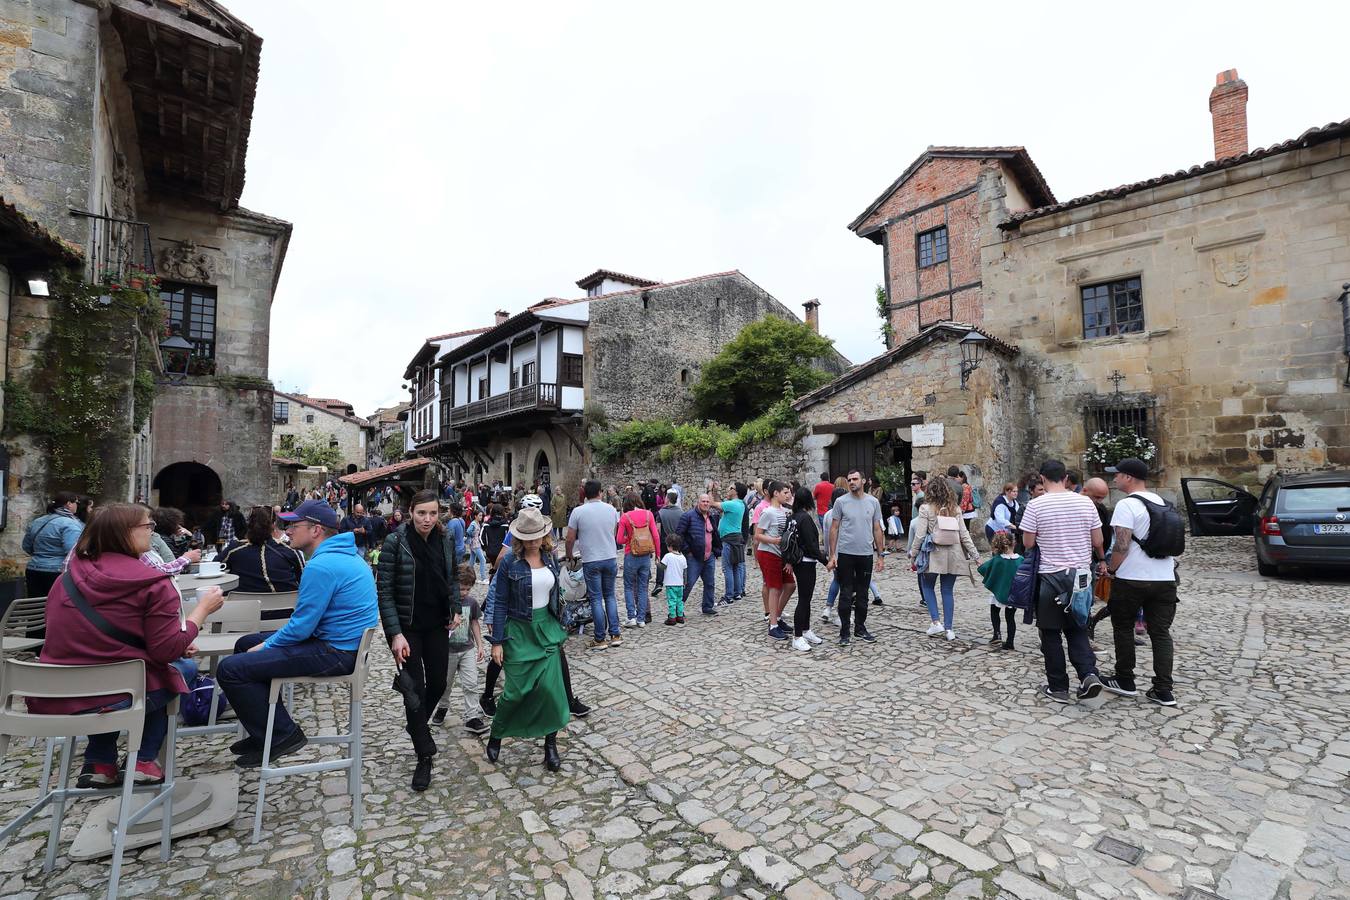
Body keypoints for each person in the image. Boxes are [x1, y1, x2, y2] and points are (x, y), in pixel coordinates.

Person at [32, 503, 225, 786]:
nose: (152, 532)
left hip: (59, 694)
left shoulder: (65, 580)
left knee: (115, 676)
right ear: (125, 534)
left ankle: (99, 761)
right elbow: (166, 651)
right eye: (148, 526)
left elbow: (76, 636)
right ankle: (143, 760)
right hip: (118, 690)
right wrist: (202, 611)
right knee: (177, 669)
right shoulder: (153, 583)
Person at [217, 499, 380, 767]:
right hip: (341, 645)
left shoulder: (322, 565)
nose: (286, 530)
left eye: (293, 525)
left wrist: (268, 646)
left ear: (316, 530)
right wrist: (265, 644)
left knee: (230, 669)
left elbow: (302, 626)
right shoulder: (346, 555)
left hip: (336, 651)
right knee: (245, 643)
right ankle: (264, 731)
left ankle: (283, 735)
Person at [377, 489, 463, 790]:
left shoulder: (446, 539)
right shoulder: (395, 542)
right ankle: (424, 755)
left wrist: (455, 607)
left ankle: (416, 725)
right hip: (407, 628)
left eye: (432, 513)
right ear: (410, 512)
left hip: (436, 623)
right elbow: (385, 592)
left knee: (439, 682)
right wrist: (395, 634)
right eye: (421, 513)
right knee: (415, 689)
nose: (427, 519)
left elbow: (452, 577)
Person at [484, 508, 570, 771]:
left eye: (537, 536)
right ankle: (497, 732)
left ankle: (550, 745)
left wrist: (560, 621)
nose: (533, 541)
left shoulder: (550, 557)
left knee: (551, 692)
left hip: (546, 629)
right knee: (515, 692)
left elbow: (555, 592)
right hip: (519, 631)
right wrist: (497, 641)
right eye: (528, 536)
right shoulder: (510, 562)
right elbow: (498, 601)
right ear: (519, 538)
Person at [1018, 460, 1105, 704]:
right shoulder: (1085, 502)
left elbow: (1028, 543)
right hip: (1080, 575)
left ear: (1042, 479)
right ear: (1066, 478)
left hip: (1051, 576)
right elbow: (1097, 539)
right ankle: (1088, 674)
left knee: (1050, 632)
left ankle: (1058, 687)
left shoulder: (1036, 505)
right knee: (1077, 626)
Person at [1100, 458, 1180, 706]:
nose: (1114, 479)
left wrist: (1110, 569)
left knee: (1123, 627)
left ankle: (1125, 679)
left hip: (1132, 577)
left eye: (1117, 475)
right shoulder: (1165, 503)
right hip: (1165, 577)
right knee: (1161, 633)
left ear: (1129, 477)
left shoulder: (1127, 505)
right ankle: (1163, 690)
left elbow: (1121, 545)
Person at [909, 475, 980, 641]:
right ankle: (949, 629)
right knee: (947, 591)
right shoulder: (955, 508)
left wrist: (913, 554)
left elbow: (919, 535)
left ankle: (936, 622)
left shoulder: (925, 508)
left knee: (927, 587)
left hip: (933, 553)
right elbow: (964, 534)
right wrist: (975, 555)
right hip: (954, 554)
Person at [827, 470, 886, 646]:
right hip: (846, 554)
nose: (852, 482)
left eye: (855, 479)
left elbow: (877, 528)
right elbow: (834, 528)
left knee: (863, 593)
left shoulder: (873, 502)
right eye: (849, 480)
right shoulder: (841, 502)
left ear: (863, 481)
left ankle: (860, 627)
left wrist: (880, 555)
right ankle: (844, 631)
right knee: (845, 593)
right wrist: (832, 555)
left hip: (866, 554)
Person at [431, 563, 489, 733]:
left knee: (471, 683)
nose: (464, 593)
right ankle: (442, 707)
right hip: (447, 652)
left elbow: (474, 623)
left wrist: (480, 645)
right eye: (461, 589)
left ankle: (472, 716)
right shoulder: (445, 602)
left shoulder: (471, 603)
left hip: (466, 649)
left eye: (467, 589)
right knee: (445, 684)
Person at [567, 480, 622, 649]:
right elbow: (615, 531)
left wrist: (569, 555)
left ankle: (600, 638)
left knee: (596, 598)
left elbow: (570, 538)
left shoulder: (578, 512)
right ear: (600, 492)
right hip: (610, 556)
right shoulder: (611, 509)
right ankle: (615, 634)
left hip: (591, 559)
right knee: (610, 596)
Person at [220, 507, 307, 595]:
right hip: (285, 606)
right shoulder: (290, 551)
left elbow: (215, 568)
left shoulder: (234, 549)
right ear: (274, 524)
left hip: (242, 607)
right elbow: (304, 580)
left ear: (249, 524)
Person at [22, 492, 84, 599]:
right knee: (54, 606)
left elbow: (26, 546)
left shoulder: (38, 521)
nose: (77, 506)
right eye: (76, 502)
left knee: (35, 606)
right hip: (56, 571)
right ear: (69, 504)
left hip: (33, 569)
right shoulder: (71, 524)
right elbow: (72, 551)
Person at [754, 481, 795, 638]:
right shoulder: (768, 512)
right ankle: (773, 625)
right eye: (785, 492)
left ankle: (776, 616)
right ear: (776, 494)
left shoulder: (785, 511)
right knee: (774, 588)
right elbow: (758, 534)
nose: (788, 495)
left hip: (782, 555)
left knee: (790, 585)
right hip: (769, 553)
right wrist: (774, 540)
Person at [788, 487, 826, 652]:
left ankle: (806, 629)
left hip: (798, 561)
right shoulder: (805, 519)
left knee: (806, 597)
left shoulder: (793, 518)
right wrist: (825, 561)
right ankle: (797, 637)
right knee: (804, 599)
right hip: (805, 562)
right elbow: (812, 545)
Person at [616, 493, 660, 628]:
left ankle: (631, 617)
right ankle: (641, 619)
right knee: (643, 587)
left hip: (631, 555)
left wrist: (629, 539)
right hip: (646, 555)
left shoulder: (625, 517)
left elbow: (619, 540)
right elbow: (656, 536)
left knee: (629, 586)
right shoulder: (649, 515)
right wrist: (658, 554)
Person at [676, 493, 722, 617]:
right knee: (688, 583)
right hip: (693, 557)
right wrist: (687, 551)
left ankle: (707, 607)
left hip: (709, 556)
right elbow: (679, 535)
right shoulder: (688, 516)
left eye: (708, 501)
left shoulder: (711, 516)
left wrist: (717, 550)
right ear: (698, 502)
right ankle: (677, 608)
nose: (706, 504)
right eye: (703, 501)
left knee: (710, 583)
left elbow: (715, 534)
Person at [978, 531, 1022, 650]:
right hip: (1013, 595)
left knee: (994, 610)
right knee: (1010, 617)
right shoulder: (1021, 560)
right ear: (1014, 543)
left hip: (998, 591)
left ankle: (997, 634)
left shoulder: (997, 560)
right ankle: (1010, 642)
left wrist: (980, 563)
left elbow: (983, 569)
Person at [716, 483, 747, 605]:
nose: (729, 489)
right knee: (735, 566)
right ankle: (737, 593)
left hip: (729, 539)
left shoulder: (733, 504)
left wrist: (710, 490)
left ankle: (729, 595)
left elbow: (713, 504)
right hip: (736, 538)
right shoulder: (739, 504)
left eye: (731, 488)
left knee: (727, 567)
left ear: (736, 492)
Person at [661, 535, 687, 625]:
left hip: (670, 583)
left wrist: (657, 563)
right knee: (679, 601)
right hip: (680, 584)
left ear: (670, 546)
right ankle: (680, 616)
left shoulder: (668, 556)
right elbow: (685, 572)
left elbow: (662, 566)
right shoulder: (683, 557)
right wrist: (685, 582)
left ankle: (672, 617)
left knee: (672, 600)